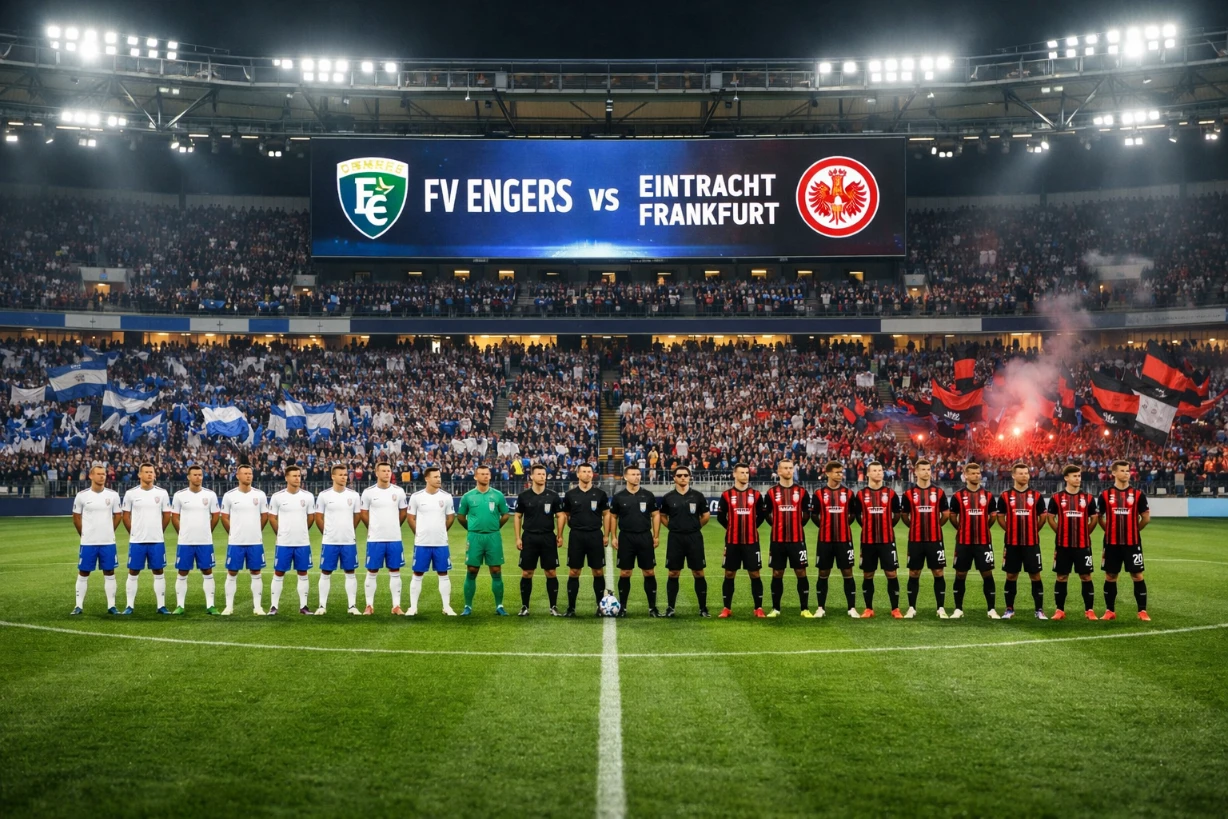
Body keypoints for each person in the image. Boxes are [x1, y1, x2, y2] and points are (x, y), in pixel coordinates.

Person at [1096, 459, 1151, 621]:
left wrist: (1133, 530)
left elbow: (1146, 518)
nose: (1126, 473)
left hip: (1132, 543)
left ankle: (1142, 611)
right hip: (1111, 543)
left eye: (1128, 470)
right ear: (1113, 473)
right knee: (1110, 576)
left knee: (1137, 575)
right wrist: (1110, 530)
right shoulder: (1105, 495)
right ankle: (1110, 611)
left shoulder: (1138, 494)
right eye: (1122, 470)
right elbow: (1099, 517)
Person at [758, 458, 812, 617]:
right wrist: (776, 525)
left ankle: (805, 609)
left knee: (801, 571)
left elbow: (807, 515)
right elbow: (766, 514)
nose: (789, 470)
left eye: (791, 468)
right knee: (777, 573)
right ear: (779, 471)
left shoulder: (802, 492)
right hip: (777, 540)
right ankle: (776, 609)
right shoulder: (770, 493)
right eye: (785, 468)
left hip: (797, 540)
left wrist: (796, 525)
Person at [1047, 464, 1100, 620]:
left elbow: (1094, 519)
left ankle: (1089, 610)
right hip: (1063, 545)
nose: (1078, 478)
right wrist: (1061, 532)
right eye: (1074, 476)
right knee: (1061, 577)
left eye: (1079, 476)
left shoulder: (1088, 498)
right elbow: (1051, 518)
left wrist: (1084, 532)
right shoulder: (1056, 498)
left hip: (1083, 545)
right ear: (1066, 478)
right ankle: (1060, 610)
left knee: (1086, 577)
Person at [456, 464, 511, 616]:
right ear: (475, 476)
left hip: (493, 536)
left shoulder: (498, 495)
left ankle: (499, 606)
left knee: (496, 569)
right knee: (472, 570)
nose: (485, 476)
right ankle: (468, 606)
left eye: (487, 474)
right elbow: (460, 516)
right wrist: (471, 528)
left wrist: (495, 526)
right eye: (482, 474)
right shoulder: (468, 496)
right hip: (474, 537)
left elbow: (505, 514)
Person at [657, 465, 711, 617]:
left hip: (694, 538)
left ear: (689, 477)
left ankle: (703, 608)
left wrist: (694, 527)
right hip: (675, 538)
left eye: (685, 475)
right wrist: (673, 527)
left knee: (698, 572)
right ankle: (670, 608)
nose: (682, 478)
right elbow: (662, 516)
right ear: (674, 478)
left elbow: (705, 516)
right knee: (673, 572)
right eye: (679, 475)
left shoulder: (698, 496)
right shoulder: (668, 497)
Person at [996, 462, 1047, 620]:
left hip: (1031, 544)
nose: (1025, 475)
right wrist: (1011, 530)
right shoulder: (1005, 496)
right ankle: (1009, 609)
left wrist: (1033, 530)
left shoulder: (1036, 496)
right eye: (1021, 473)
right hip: (1012, 544)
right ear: (1013, 475)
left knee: (1035, 576)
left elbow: (1043, 517)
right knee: (1011, 576)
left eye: (1027, 473)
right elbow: (1000, 517)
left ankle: (1039, 610)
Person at [948, 462, 1000, 619]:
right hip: (963, 542)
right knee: (960, 573)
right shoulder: (957, 496)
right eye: (973, 473)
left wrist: (984, 527)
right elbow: (952, 516)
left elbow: (993, 517)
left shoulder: (989, 496)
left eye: (978, 473)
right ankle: (958, 609)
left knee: (987, 573)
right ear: (966, 475)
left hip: (983, 542)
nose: (977, 475)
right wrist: (962, 528)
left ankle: (991, 609)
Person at [899, 458, 949, 619]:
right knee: (914, 572)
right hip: (915, 540)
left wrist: (936, 525)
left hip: (935, 540)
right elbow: (904, 515)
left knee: (938, 571)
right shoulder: (908, 494)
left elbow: (946, 514)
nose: (927, 472)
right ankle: (912, 608)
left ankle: (940, 608)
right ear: (916, 472)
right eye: (923, 469)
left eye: (929, 469)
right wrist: (914, 526)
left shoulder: (939, 493)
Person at [607, 465, 660, 617]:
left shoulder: (648, 495)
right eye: (633, 474)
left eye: (638, 474)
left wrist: (656, 535)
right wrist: (614, 536)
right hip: (626, 537)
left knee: (649, 572)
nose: (637, 477)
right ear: (625, 477)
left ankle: (652, 608)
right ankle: (622, 607)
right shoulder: (619, 497)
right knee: (625, 572)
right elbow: (613, 517)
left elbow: (655, 515)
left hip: (644, 536)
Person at [810, 460, 861, 618]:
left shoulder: (849, 494)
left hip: (844, 540)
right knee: (823, 572)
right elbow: (813, 515)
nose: (840, 475)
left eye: (841, 472)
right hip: (825, 540)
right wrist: (825, 526)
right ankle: (820, 608)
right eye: (837, 472)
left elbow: (853, 514)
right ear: (828, 473)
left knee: (847, 571)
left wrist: (844, 525)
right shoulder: (819, 494)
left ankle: (851, 608)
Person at [120, 462, 172, 615]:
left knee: (159, 571)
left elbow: (167, 515)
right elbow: (125, 516)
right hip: (137, 541)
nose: (150, 474)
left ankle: (161, 606)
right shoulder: (131, 494)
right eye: (147, 472)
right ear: (139, 475)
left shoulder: (162, 493)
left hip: (156, 540)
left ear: (155, 475)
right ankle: (129, 606)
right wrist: (134, 532)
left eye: (152, 472)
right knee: (133, 571)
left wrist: (158, 531)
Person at [71, 463, 122, 615]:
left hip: (107, 542)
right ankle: (78, 606)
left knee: (110, 572)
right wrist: (84, 534)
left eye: (104, 474)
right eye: (99, 473)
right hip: (88, 542)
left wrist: (108, 530)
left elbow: (118, 515)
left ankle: (111, 606)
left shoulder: (112, 495)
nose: (102, 476)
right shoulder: (82, 496)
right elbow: (76, 517)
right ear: (91, 476)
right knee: (83, 572)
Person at [852, 461, 901, 619]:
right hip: (868, 541)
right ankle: (868, 609)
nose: (879, 473)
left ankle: (895, 609)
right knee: (868, 574)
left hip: (887, 541)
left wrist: (887, 526)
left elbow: (897, 515)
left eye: (880, 470)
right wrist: (867, 526)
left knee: (891, 573)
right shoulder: (860, 495)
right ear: (868, 474)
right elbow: (857, 516)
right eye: (875, 470)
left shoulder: (891, 493)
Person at [559, 462, 609, 617]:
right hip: (576, 536)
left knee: (598, 571)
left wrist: (606, 535)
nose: (588, 474)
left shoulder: (600, 494)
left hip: (595, 535)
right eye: (584, 471)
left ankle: (600, 607)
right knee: (574, 571)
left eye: (590, 471)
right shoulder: (570, 495)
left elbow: (606, 514)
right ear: (578, 474)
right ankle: (571, 608)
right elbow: (566, 515)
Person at [514, 464, 564, 616]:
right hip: (529, 537)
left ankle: (553, 606)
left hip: (548, 537)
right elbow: (517, 516)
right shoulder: (524, 496)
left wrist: (560, 534)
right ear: (532, 476)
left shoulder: (553, 496)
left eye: (544, 474)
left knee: (551, 572)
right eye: (539, 474)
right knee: (527, 573)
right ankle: (524, 606)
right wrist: (517, 538)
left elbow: (561, 515)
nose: (542, 476)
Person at [170, 465, 221, 615]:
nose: (198, 477)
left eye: (200, 474)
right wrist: (183, 532)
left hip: (204, 541)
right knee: (182, 572)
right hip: (185, 542)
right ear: (188, 476)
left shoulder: (210, 495)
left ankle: (210, 605)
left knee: (207, 571)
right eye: (195, 475)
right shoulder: (180, 495)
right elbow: (174, 517)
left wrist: (207, 531)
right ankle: (180, 605)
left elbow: (215, 516)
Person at [716, 463, 765, 618]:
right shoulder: (726, 495)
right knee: (729, 573)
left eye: (747, 472)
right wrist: (730, 527)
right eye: (742, 472)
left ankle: (758, 608)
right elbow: (720, 516)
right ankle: (726, 608)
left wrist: (752, 527)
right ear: (734, 474)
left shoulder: (756, 495)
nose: (745, 475)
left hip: (751, 542)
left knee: (755, 574)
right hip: (732, 542)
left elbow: (761, 516)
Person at [266, 465, 316, 616]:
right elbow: (271, 517)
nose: (297, 478)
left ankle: (304, 606)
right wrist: (280, 532)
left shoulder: (307, 496)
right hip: (284, 543)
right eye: (294, 476)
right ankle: (274, 606)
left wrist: (301, 531)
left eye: (299, 475)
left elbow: (311, 517)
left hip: (302, 542)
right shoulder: (277, 497)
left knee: (303, 573)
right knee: (279, 573)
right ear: (286, 478)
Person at [359, 461, 408, 615]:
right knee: (372, 571)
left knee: (395, 571)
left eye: (389, 470)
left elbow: (403, 513)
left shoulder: (399, 491)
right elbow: (363, 513)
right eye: (384, 471)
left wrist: (393, 525)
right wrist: (373, 527)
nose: (387, 473)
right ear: (376, 473)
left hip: (394, 538)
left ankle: (396, 606)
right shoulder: (368, 492)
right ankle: (369, 605)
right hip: (375, 539)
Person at [407, 466, 456, 617]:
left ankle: (446, 606)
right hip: (422, 543)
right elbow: (410, 518)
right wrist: (420, 533)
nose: (438, 479)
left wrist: (441, 530)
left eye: (439, 476)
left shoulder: (446, 497)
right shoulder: (416, 496)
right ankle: (413, 607)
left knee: (443, 573)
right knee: (417, 573)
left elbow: (450, 518)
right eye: (435, 477)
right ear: (427, 479)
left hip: (441, 543)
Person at [220, 464, 269, 616]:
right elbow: (224, 517)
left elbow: (265, 516)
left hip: (255, 541)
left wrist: (255, 530)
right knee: (232, 572)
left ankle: (257, 607)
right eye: (245, 473)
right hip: (235, 542)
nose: (248, 476)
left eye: (250, 473)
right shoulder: (229, 496)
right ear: (238, 476)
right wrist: (233, 532)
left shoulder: (260, 495)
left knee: (256, 572)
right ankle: (228, 607)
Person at [315, 464, 361, 616]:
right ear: (333, 476)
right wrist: (327, 532)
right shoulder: (324, 495)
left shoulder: (354, 495)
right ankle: (322, 605)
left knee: (350, 572)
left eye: (345, 475)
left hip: (348, 541)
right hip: (330, 541)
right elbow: (318, 517)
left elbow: (357, 516)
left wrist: (349, 530)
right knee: (326, 572)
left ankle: (352, 606)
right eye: (340, 474)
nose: (344, 477)